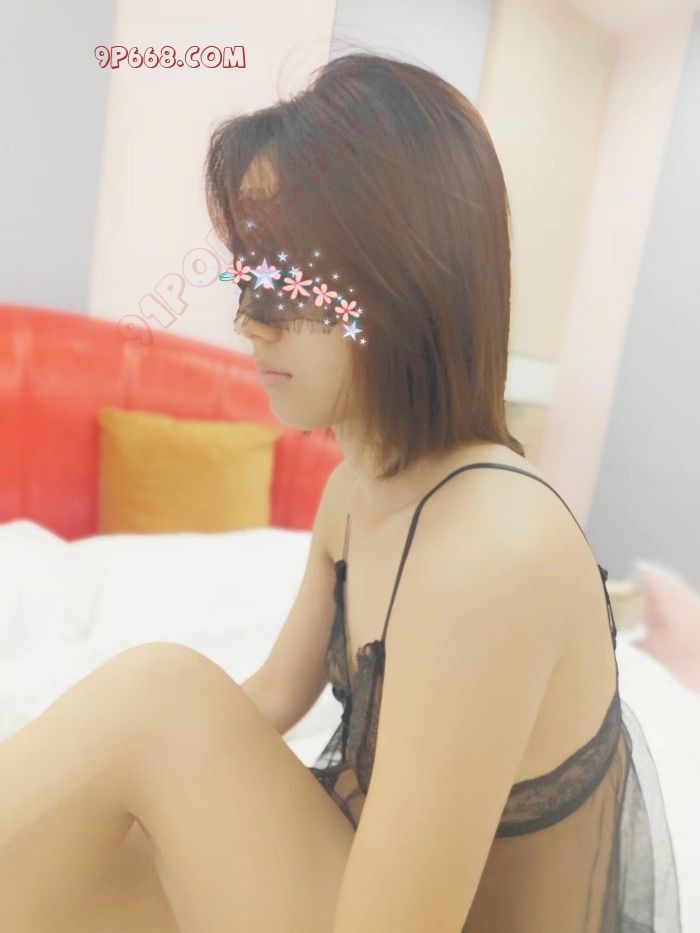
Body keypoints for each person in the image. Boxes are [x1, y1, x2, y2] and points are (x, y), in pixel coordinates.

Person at [0, 52, 680, 932]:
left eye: (286, 278)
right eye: (247, 272)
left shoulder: (492, 551)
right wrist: (113, 791)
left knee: (158, 694)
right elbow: (270, 698)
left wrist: (148, 752)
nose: (247, 320)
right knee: (84, 840)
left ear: (406, 276)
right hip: (358, 877)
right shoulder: (354, 494)